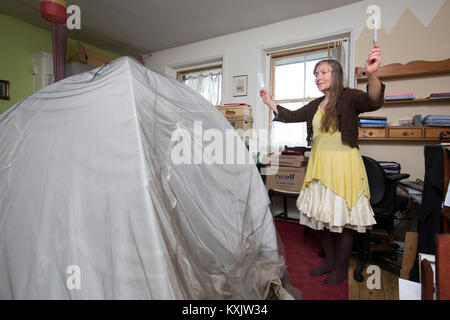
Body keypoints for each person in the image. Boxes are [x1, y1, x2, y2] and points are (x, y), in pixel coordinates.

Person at [260, 45, 384, 285]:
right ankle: (328, 261)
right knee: (325, 218)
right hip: (319, 166)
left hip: (343, 166)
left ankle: (339, 269)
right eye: (316, 74)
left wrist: (372, 74)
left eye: (323, 72)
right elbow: (291, 115)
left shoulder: (349, 97)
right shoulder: (316, 104)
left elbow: (373, 100)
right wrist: (270, 102)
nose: (318, 78)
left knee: (344, 220)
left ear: (335, 74)